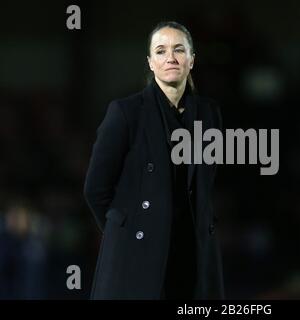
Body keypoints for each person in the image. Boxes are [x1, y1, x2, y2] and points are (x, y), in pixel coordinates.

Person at [83, 21, 225, 300]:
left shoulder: (210, 113)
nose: (170, 58)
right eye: (160, 51)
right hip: (136, 256)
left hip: (193, 253)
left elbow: (206, 183)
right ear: (150, 62)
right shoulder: (125, 112)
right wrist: (125, 230)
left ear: (192, 60)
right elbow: (95, 189)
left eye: (178, 50)